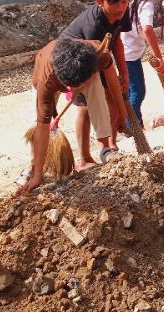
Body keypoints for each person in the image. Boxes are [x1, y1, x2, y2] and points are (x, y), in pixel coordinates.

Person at [16, 39, 108, 195]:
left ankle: (106, 148)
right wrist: (38, 176)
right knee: (38, 121)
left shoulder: (98, 54)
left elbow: (111, 75)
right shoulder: (46, 81)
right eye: (69, 87)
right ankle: (34, 165)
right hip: (48, 71)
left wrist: (122, 100)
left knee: (97, 90)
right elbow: (42, 127)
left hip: (83, 66)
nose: (71, 90)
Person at [60, 0, 132, 167]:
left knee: (114, 105)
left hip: (101, 57)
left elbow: (116, 42)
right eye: (114, 3)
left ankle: (111, 147)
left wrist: (124, 74)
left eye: (124, 1)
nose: (120, 8)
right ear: (99, 2)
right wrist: (115, 88)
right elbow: (102, 67)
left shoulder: (123, 12)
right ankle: (84, 159)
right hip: (77, 61)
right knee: (86, 108)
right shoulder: (92, 26)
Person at [122, 0, 164, 126]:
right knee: (138, 91)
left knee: (129, 90)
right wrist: (159, 58)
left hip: (124, 47)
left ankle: (133, 122)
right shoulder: (147, 2)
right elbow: (147, 29)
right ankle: (132, 126)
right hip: (130, 53)